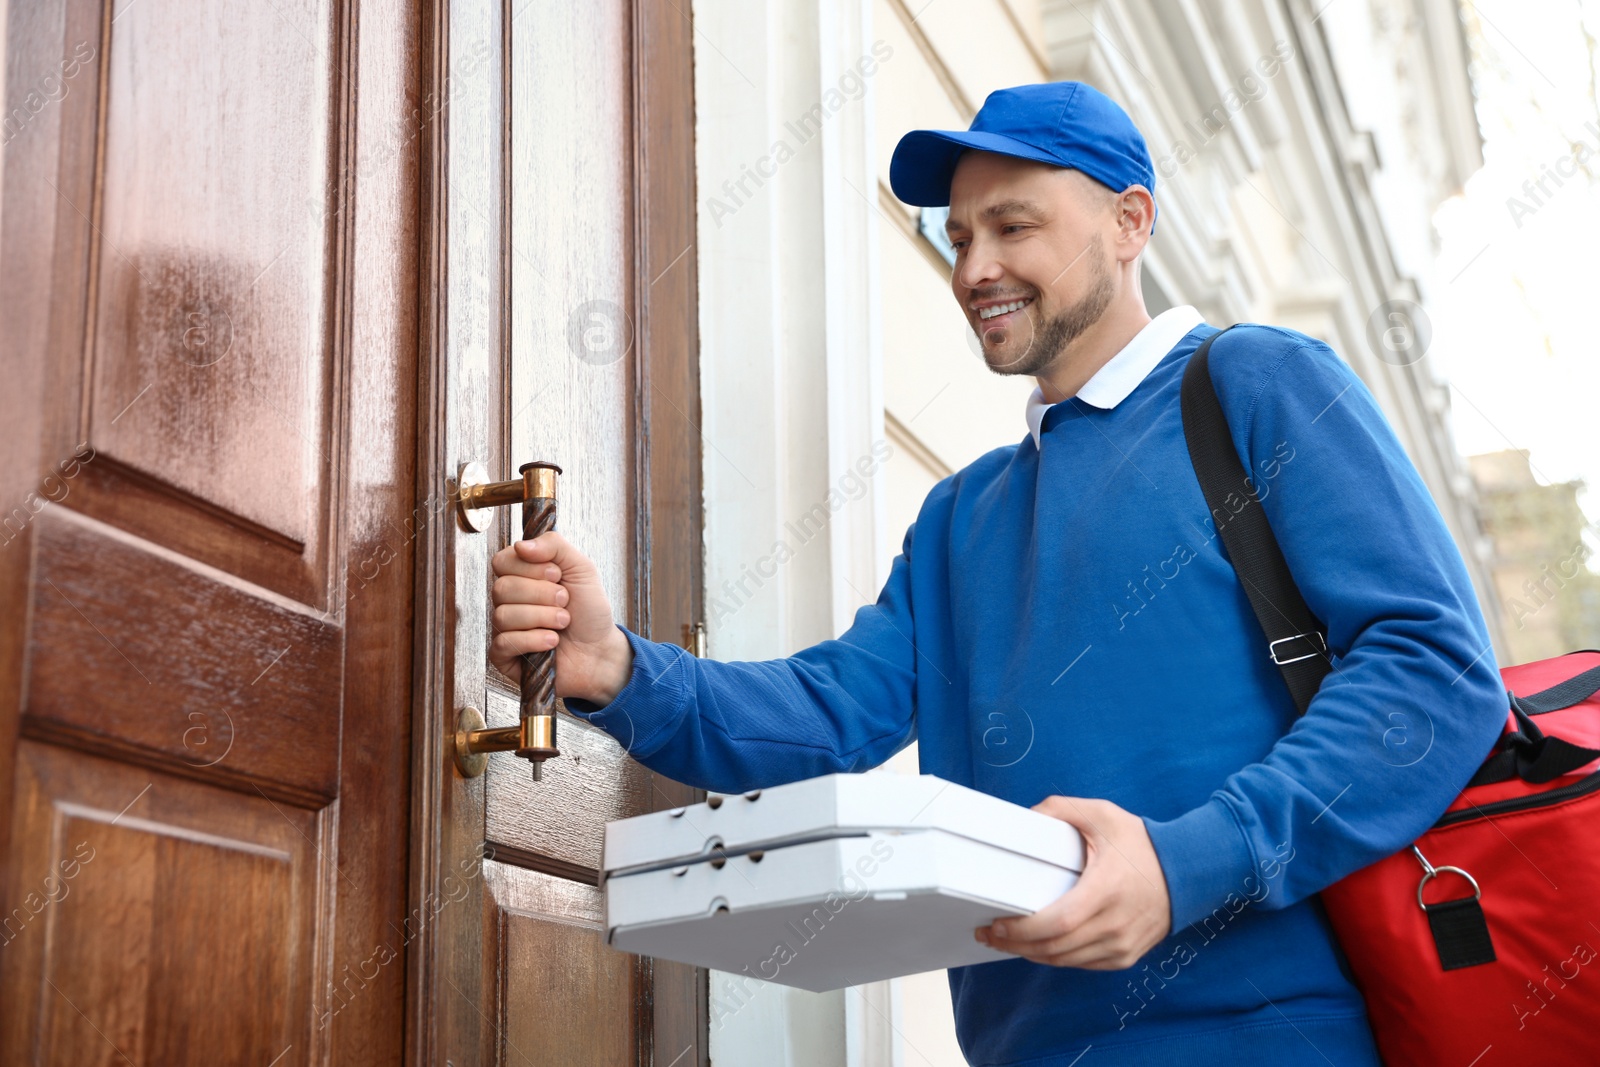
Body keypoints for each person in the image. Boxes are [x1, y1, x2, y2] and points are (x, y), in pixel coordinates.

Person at [489, 81, 1507, 1065]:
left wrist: (1182, 863)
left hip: (1266, 1033)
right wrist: (618, 668)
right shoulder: (961, 516)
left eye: (1012, 226)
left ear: (1129, 220)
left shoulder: (1255, 383)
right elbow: (824, 714)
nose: (974, 265)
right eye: (958, 235)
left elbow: (1431, 673)